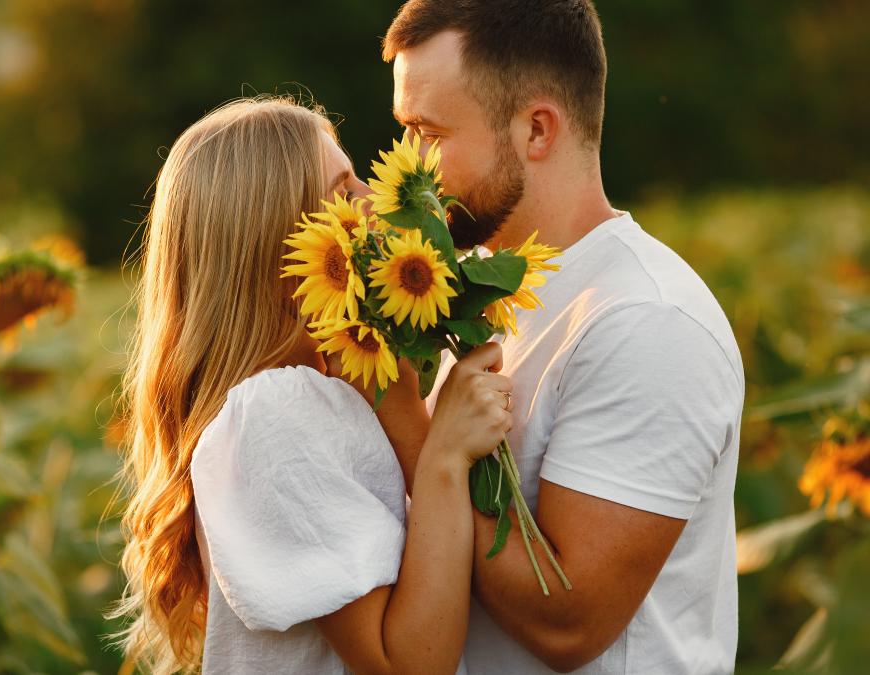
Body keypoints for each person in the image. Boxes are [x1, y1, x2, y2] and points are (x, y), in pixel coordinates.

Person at [379, 1, 745, 673]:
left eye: (426, 132)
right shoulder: (465, 287)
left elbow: (567, 621)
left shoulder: (646, 322)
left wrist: (405, 421)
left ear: (537, 129)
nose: (408, 165)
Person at [111, 96, 514, 675]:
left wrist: (398, 401)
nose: (375, 207)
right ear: (281, 245)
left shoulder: (319, 396)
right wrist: (446, 455)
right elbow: (406, 665)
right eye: (346, 194)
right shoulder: (275, 413)